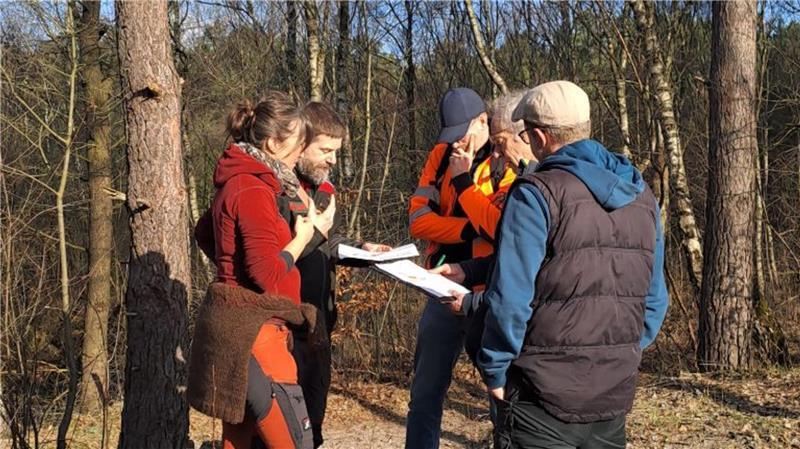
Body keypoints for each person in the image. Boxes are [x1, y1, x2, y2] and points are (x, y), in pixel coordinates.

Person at [457, 81, 669, 448]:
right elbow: (654, 301)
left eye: (526, 134)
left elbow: (511, 299)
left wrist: (495, 369)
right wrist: (617, 356)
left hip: (540, 399)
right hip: (611, 397)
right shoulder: (642, 197)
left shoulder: (535, 194)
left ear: (539, 136)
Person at [188, 92, 327, 449]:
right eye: (299, 144)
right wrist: (302, 238)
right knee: (296, 442)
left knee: (240, 442)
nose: (301, 152)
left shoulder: (238, 178)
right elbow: (266, 274)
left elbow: (204, 232)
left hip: (238, 331)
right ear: (273, 143)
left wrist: (231, 267)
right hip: (258, 333)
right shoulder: (252, 186)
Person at [405, 87, 516, 449]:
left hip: (487, 292)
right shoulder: (440, 155)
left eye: (462, 133)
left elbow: (500, 228)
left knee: (501, 394)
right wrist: (468, 228)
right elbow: (418, 221)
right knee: (425, 393)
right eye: (450, 135)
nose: (456, 143)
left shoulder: (506, 161)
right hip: (441, 286)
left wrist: (463, 181)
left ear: (483, 121)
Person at [282, 101, 391, 448]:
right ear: (301, 144)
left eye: (336, 152)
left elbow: (329, 243)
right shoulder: (279, 190)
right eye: (325, 150)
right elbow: (280, 256)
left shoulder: (325, 191)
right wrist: (316, 233)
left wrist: (363, 250)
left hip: (320, 323)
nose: (332, 160)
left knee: (313, 423)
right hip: (286, 324)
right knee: (285, 426)